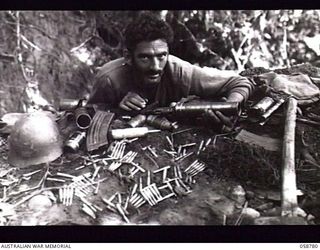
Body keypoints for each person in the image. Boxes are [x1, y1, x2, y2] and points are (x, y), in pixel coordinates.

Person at [87, 12, 255, 127]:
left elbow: (239, 82)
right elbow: (87, 115)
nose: (155, 67)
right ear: (128, 56)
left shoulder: (179, 71)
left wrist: (229, 108)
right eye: (145, 57)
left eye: (161, 56)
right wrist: (116, 108)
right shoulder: (109, 79)